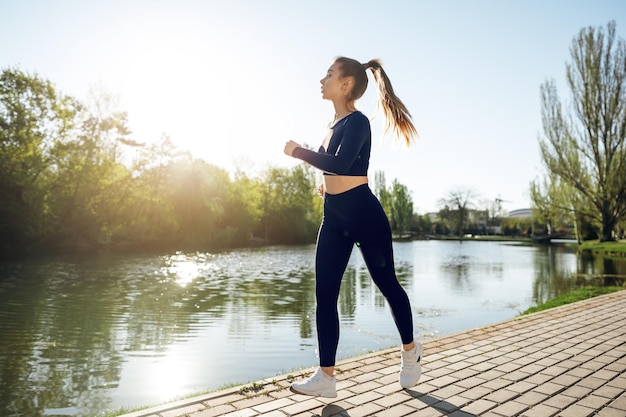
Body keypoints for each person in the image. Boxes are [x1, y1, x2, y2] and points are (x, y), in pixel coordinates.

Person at [283, 56, 422, 398]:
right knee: (325, 295)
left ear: (346, 84)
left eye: (329, 74)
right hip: (334, 218)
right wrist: (325, 184)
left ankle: (410, 352)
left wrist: (298, 151)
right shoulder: (332, 125)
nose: (322, 79)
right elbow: (331, 166)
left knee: (386, 283)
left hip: (364, 216)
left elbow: (343, 163)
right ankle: (326, 377)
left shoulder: (358, 122)